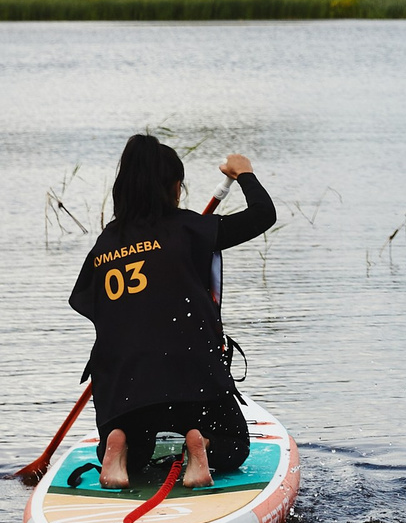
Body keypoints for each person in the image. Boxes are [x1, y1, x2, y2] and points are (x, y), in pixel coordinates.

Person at [69, 135, 275, 489]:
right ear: (173, 187)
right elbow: (263, 215)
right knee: (235, 445)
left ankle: (117, 447)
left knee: (136, 448)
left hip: (122, 390)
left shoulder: (105, 243)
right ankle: (201, 445)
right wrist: (243, 173)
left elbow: (88, 304)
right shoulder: (188, 228)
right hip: (192, 380)